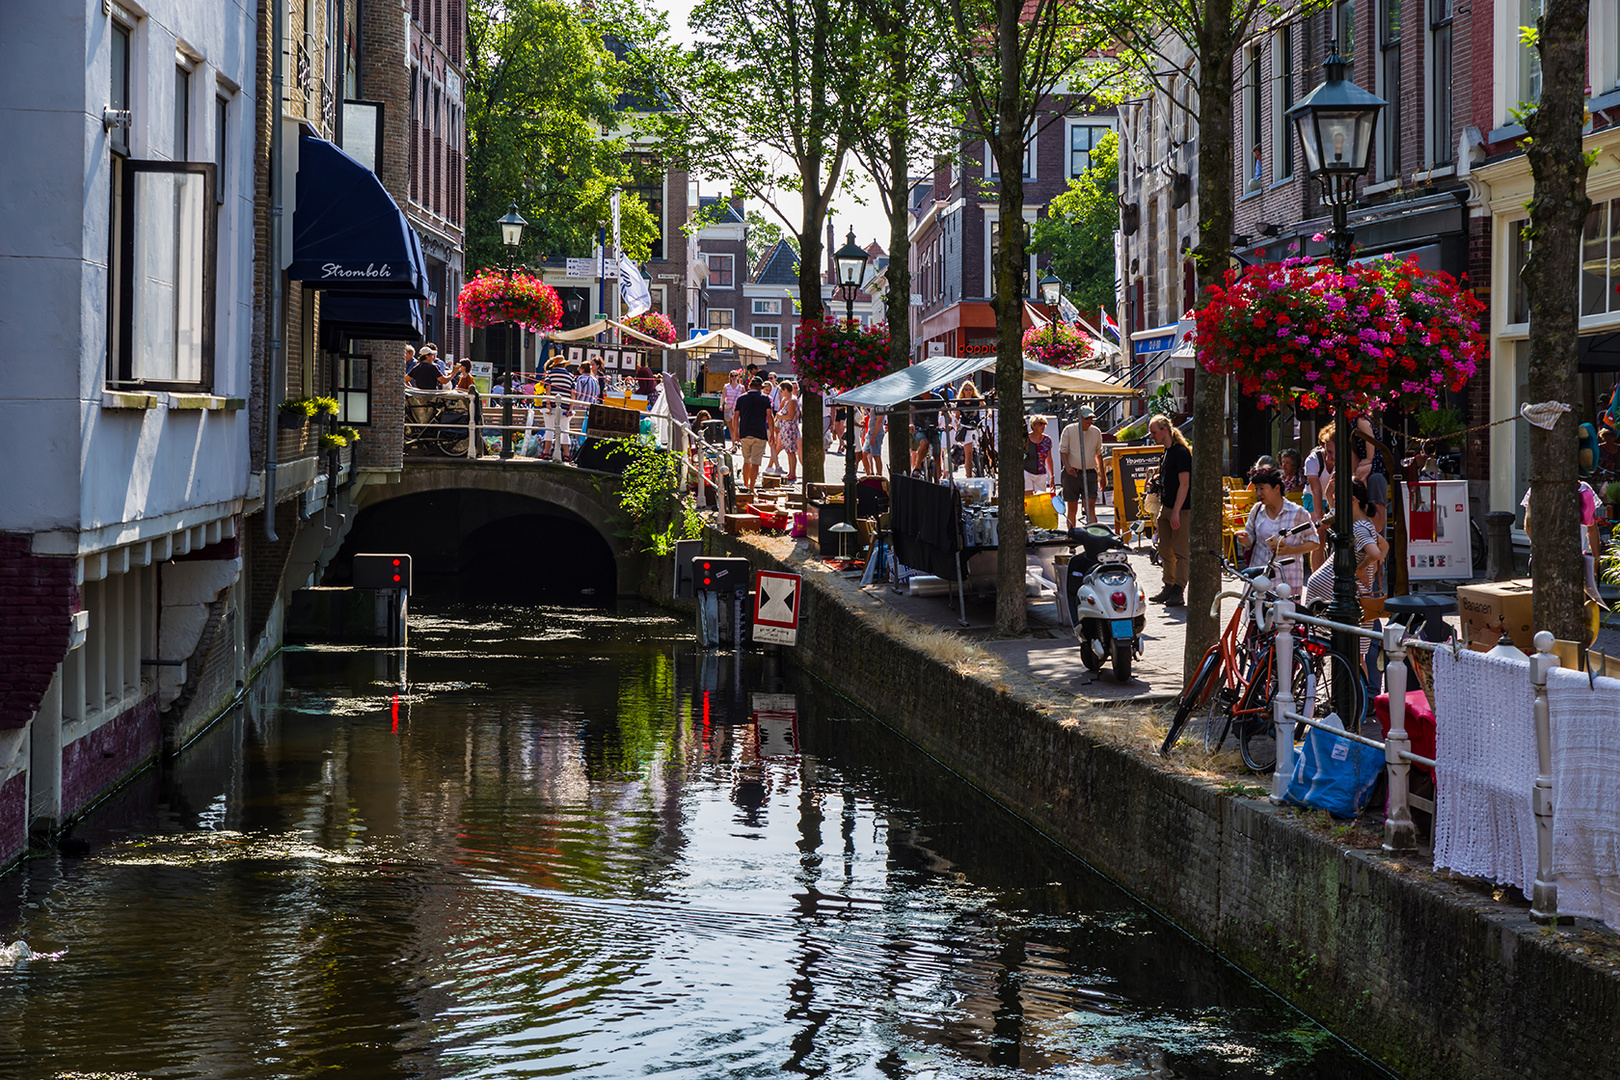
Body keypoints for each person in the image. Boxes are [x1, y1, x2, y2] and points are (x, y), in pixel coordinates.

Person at [1238, 465, 1318, 598]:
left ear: (1276, 488)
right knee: (1258, 615)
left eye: (1262, 488)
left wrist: (1290, 550)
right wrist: (1245, 540)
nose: (1258, 493)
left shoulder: (1297, 512)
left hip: (1287, 578)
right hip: (1260, 577)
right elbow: (1250, 538)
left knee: (1283, 617)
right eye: (1256, 489)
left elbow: (1314, 543)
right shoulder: (1257, 510)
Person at [1522, 476, 1602, 601]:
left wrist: (1596, 559)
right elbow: (1528, 526)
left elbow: (1528, 525)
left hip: (1575, 557)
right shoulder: (1538, 489)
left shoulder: (1584, 489)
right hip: (1562, 557)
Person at [1149, 414, 1191, 607]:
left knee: (1181, 551)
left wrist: (1176, 511)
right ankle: (1168, 585)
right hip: (1165, 506)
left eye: (1154, 432)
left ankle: (1178, 589)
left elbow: (1185, 484)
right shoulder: (1166, 452)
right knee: (1165, 549)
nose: (1152, 436)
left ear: (1165, 431)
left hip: (1180, 509)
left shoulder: (1181, 452)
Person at [1058, 405, 1106, 527]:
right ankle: (1072, 539)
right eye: (1086, 418)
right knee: (1072, 508)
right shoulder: (1069, 430)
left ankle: (1093, 537)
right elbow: (1063, 451)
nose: (1089, 421)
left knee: (1090, 508)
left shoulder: (1096, 432)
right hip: (1072, 474)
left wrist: (1103, 475)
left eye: (1091, 418)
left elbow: (1099, 454)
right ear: (1079, 418)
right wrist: (1068, 467)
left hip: (1090, 473)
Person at [1304, 425, 1336, 570]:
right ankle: (1316, 577)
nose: (1329, 457)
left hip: (1332, 496)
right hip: (1313, 497)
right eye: (1326, 450)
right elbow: (1316, 490)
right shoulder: (1313, 460)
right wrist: (1319, 518)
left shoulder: (1344, 460)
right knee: (1319, 535)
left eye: (1333, 452)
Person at [734, 376, 774, 490]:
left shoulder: (741, 399)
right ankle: (751, 488)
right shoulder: (765, 399)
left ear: (750, 386)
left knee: (747, 460)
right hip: (759, 433)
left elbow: (735, 417)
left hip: (745, 432)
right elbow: (770, 417)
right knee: (755, 462)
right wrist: (772, 434)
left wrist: (736, 434)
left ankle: (745, 486)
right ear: (761, 387)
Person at [911, 388, 943, 476]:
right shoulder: (915, 399)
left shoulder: (936, 398)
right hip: (919, 428)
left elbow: (945, 410)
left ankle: (938, 481)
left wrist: (949, 422)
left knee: (937, 457)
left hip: (933, 428)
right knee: (924, 443)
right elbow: (911, 413)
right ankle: (917, 466)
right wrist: (911, 424)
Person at [1022, 417, 1054, 494]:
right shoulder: (1025, 439)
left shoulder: (1047, 440)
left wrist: (1052, 476)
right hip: (1027, 471)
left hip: (1041, 473)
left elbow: (1049, 459)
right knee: (1028, 498)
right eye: (1040, 424)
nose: (1043, 426)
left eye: (1044, 424)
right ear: (1033, 426)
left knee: (1040, 498)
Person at [776, 381, 801, 482]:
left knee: (791, 452)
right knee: (788, 452)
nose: (781, 392)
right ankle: (791, 472)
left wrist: (780, 416)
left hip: (790, 429)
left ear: (785, 390)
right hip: (787, 429)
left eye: (782, 390)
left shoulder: (792, 401)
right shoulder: (788, 400)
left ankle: (793, 473)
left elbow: (790, 416)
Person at [861, 408, 886, 477]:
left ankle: (879, 477)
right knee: (863, 454)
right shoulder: (873, 405)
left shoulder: (879, 407)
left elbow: (879, 421)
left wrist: (874, 436)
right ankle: (869, 476)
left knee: (876, 455)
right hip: (870, 432)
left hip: (876, 433)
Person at [722, 371, 744, 448]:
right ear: (730, 377)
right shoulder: (726, 386)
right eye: (732, 376)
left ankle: (735, 444)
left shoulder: (741, 387)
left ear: (738, 377)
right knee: (731, 428)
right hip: (728, 408)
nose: (734, 377)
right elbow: (723, 396)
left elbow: (744, 398)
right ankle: (733, 445)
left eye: (735, 375)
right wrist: (721, 405)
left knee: (735, 427)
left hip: (737, 410)